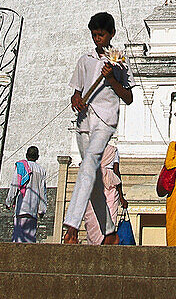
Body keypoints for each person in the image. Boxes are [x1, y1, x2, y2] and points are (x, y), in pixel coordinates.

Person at [62, 12, 134, 245]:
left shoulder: (119, 61)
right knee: (91, 179)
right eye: (94, 35)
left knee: (89, 164)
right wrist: (76, 100)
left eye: (101, 35)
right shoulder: (85, 60)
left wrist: (112, 78)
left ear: (111, 34)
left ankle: (72, 226)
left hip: (105, 120)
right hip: (84, 121)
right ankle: (110, 233)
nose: (97, 39)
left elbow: (128, 96)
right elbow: (76, 91)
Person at [82, 142, 127, 245]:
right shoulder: (113, 150)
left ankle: (96, 244)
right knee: (109, 218)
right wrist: (121, 196)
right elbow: (116, 171)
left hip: (95, 183)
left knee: (93, 220)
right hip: (109, 184)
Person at [8, 146, 48, 243]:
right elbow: (43, 191)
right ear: (37, 157)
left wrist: (8, 202)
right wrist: (42, 209)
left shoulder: (21, 167)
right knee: (30, 238)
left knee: (18, 238)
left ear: (26, 155)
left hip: (21, 206)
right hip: (33, 208)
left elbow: (14, 186)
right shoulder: (41, 171)